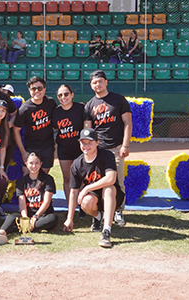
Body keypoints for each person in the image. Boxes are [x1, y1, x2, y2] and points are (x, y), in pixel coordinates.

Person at [84, 70, 132, 227]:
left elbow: (127, 123)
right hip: (98, 151)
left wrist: (125, 145)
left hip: (116, 148)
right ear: (91, 85)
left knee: (118, 181)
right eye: (94, 83)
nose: (97, 85)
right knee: (97, 182)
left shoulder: (118, 100)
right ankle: (100, 214)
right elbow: (89, 131)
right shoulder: (90, 105)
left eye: (100, 81)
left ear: (106, 82)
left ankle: (118, 211)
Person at [63, 128, 124, 248]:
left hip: (113, 196)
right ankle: (98, 217)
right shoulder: (77, 163)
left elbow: (111, 178)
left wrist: (85, 189)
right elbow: (73, 192)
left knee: (108, 188)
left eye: (90, 142)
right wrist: (69, 218)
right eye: (83, 143)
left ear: (97, 142)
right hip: (94, 197)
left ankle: (106, 231)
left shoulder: (106, 155)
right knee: (85, 202)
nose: (86, 146)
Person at [0, 152, 58, 244]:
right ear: (26, 164)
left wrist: (35, 217)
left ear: (41, 164)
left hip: (42, 215)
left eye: (37, 163)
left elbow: (47, 202)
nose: (34, 166)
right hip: (26, 214)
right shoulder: (21, 181)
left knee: (53, 219)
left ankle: (16, 229)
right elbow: (22, 203)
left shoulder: (48, 179)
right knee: (11, 217)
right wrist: (25, 218)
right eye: (31, 163)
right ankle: (1, 234)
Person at [13, 76, 56, 175]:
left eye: (40, 88)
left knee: (43, 177)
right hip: (31, 147)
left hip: (48, 147)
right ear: (29, 90)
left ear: (44, 90)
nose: (37, 91)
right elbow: (16, 130)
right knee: (27, 176)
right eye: (33, 89)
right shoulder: (24, 109)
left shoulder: (50, 102)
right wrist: (23, 152)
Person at [52, 84, 84, 210]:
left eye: (66, 94)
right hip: (64, 149)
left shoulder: (80, 108)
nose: (63, 97)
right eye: (60, 95)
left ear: (72, 95)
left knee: (80, 178)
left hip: (79, 149)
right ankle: (71, 205)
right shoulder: (56, 112)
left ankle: (82, 204)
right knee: (67, 178)